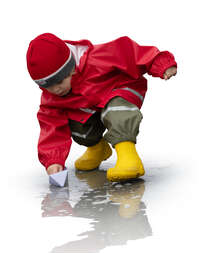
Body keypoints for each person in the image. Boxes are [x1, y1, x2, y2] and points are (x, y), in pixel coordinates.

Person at [26, 33, 177, 182]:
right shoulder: (52, 97)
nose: (56, 90)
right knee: (74, 123)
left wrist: (161, 64)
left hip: (120, 91)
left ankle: (128, 156)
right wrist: (53, 161)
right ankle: (98, 149)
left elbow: (132, 53)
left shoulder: (98, 58)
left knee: (115, 110)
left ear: (71, 68)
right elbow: (51, 128)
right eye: (48, 87)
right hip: (94, 107)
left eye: (59, 82)